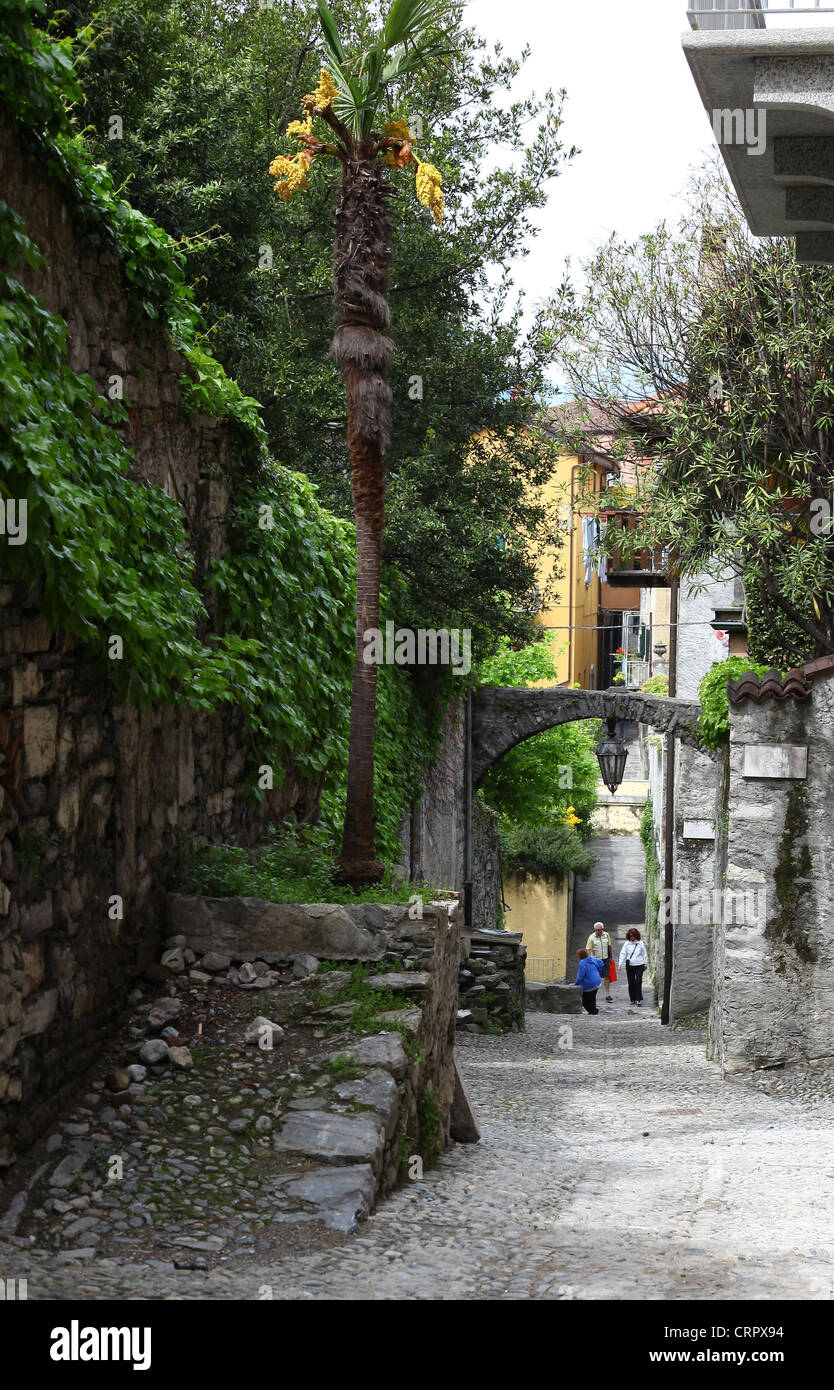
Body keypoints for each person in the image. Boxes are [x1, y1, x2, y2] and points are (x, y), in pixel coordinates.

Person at [585, 921, 614, 1003]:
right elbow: (588, 950)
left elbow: (609, 946)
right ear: (595, 930)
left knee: (606, 976)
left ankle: (607, 994)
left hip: (605, 959)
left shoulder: (606, 935)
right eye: (597, 930)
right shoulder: (591, 937)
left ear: (602, 929)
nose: (598, 931)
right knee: (595, 977)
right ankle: (592, 995)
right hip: (596, 960)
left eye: (600, 930)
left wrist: (611, 956)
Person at [619, 928, 648, 1006]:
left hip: (640, 964)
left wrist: (645, 964)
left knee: (638, 981)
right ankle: (632, 999)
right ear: (628, 936)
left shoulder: (640, 943)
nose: (632, 937)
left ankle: (638, 999)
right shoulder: (626, 944)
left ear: (636, 936)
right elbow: (623, 953)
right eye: (631, 936)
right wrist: (620, 964)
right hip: (630, 965)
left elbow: (644, 954)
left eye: (633, 936)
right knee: (631, 982)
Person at [573, 948, 605, 1014]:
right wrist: (597, 972)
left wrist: (575, 984)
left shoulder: (582, 962)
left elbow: (580, 976)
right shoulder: (592, 959)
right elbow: (601, 963)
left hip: (589, 985)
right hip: (597, 982)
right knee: (592, 998)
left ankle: (593, 1011)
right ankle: (594, 1011)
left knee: (584, 1001)